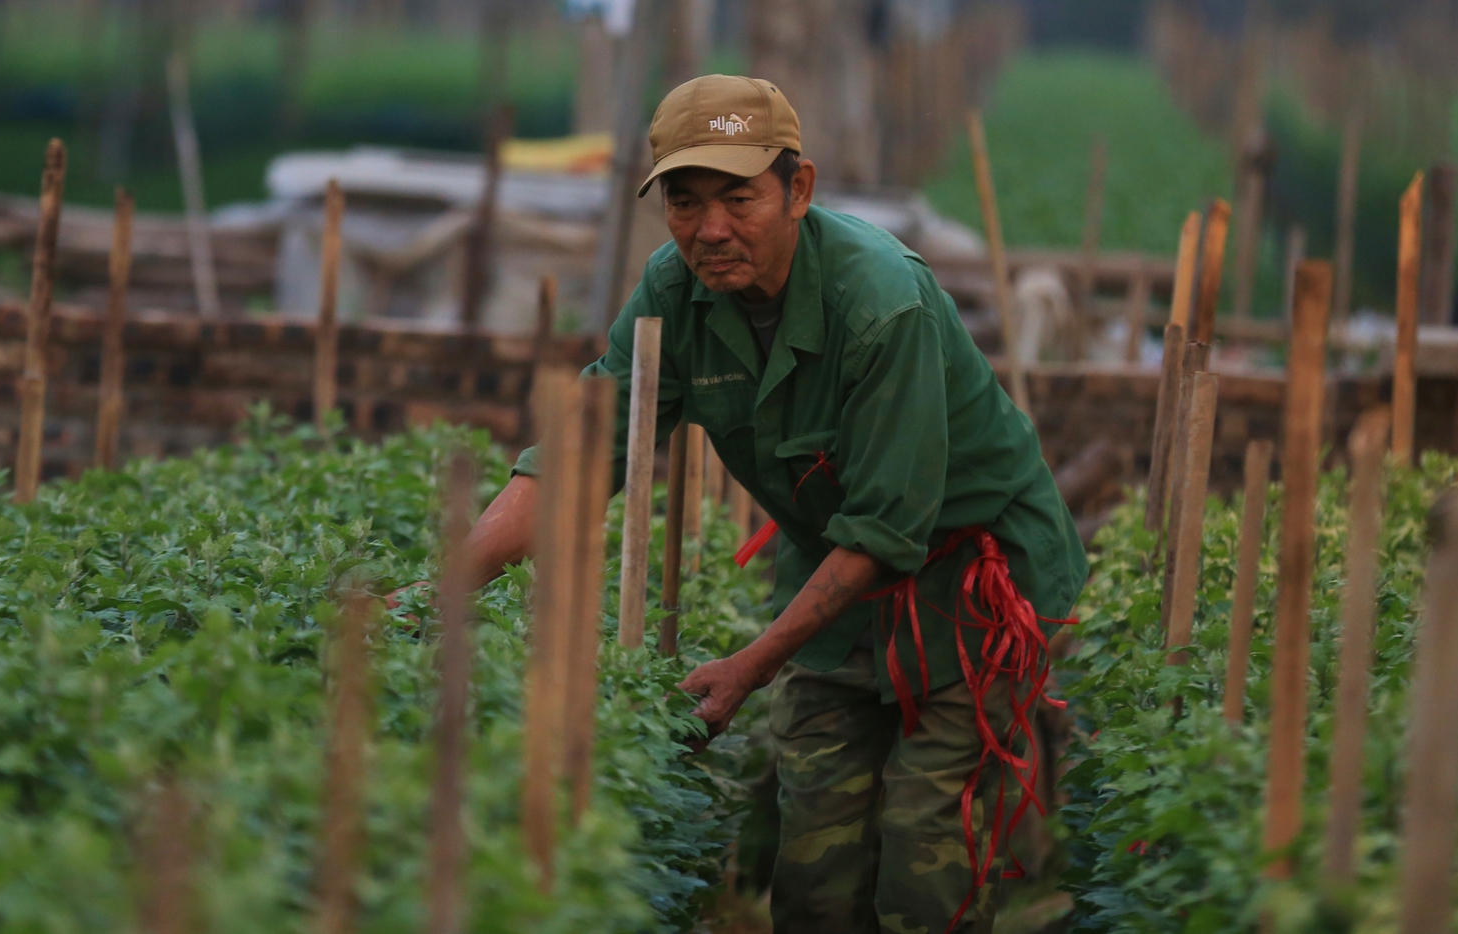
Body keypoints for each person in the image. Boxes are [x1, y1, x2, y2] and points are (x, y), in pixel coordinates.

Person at [461, 74, 1088, 934]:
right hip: (834, 591)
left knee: (921, 853)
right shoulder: (673, 295)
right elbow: (576, 459)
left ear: (799, 190)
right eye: (685, 202)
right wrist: (441, 593)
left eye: (738, 198)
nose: (710, 229)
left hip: (972, 588)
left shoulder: (880, 301)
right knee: (815, 871)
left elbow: (885, 529)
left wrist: (748, 667)